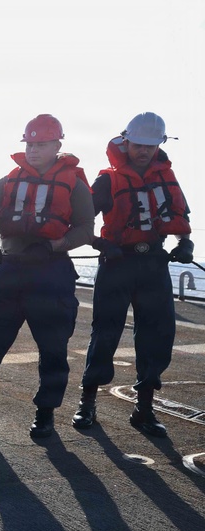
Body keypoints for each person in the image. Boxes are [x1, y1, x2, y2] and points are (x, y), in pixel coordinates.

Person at [0, 114, 95, 436]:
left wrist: (55, 246)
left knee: (53, 349)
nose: (33, 150)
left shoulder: (75, 184)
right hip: (10, 269)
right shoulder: (7, 181)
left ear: (57, 145)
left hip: (51, 273)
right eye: (29, 144)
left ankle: (45, 413)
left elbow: (86, 228)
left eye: (41, 144)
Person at [72, 112, 193, 437]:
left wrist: (186, 245)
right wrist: (101, 244)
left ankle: (144, 409)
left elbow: (181, 219)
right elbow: (80, 222)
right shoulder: (107, 181)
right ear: (126, 142)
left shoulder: (167, 178)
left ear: (159, 146)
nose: (143, 151)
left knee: (157, 335)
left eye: (149, 146)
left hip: (154, 264)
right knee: (105, 333)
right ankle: (88, 402)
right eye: (138, 144)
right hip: (117, 264)